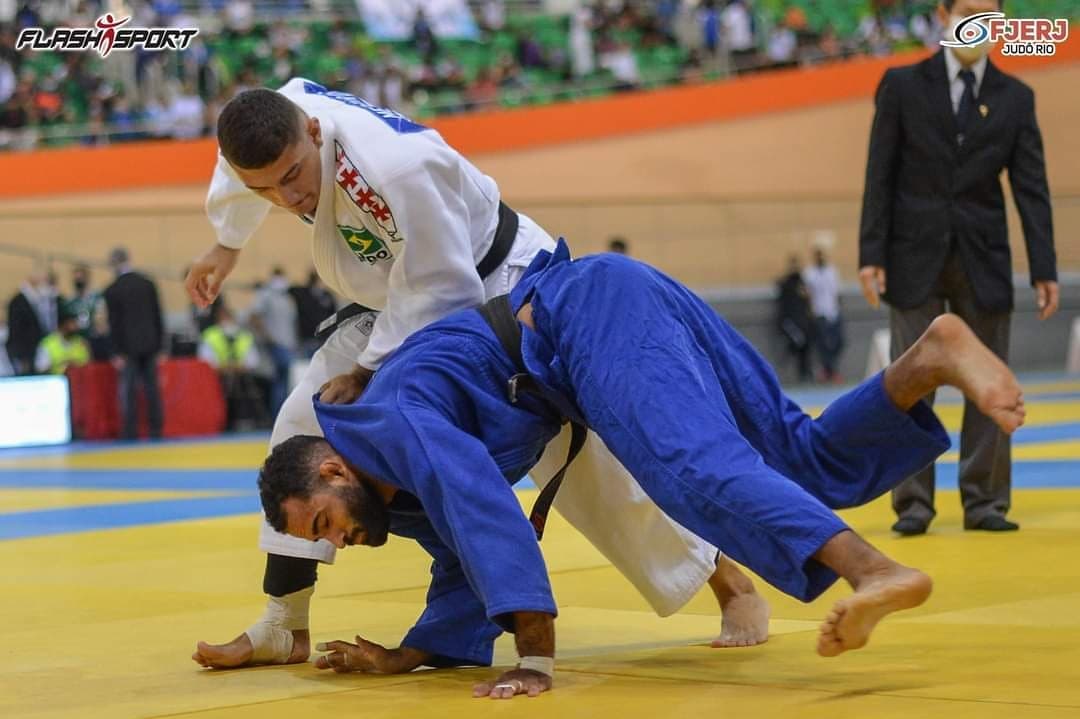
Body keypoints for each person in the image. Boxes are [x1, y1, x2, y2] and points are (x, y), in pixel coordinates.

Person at [248, 243, 1025, 698]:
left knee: (690, 471)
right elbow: (461, 557)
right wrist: (409, 654)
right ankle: (931, 355)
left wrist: (535, 656)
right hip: (609, 296)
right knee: (800, 459)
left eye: (323, 521)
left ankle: (874, 570)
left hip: (585, 316)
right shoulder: (392, 480)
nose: (337, 540)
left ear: (332, 466)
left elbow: (484, 509)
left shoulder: (394, 419)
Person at [185, 80, 732, 670]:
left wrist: (366, 368)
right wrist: (226, 246)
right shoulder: (272, 120)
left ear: (314, 133)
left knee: (582, 465)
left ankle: (731, 586)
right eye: (265, 188)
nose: (287, 197)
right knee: (303, 420)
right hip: (398, 294)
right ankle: (284, 622)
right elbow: (245, 175)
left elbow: (441, 286)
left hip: (499, 283)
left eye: (293, 175)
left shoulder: (397, 168)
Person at [858, 0, 1057, 536]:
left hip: (984, 257)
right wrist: (871, 254)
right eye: (969, 10)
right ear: (944, 14)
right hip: (911, 255)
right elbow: (879, 174)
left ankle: (985, 500)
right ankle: (913, 503)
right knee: (910, 382)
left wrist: (1044, 267)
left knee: (987, 378)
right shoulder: (901, 86)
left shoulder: (1016, 97)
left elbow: (1031, 189)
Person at [104, 247, 166, 440]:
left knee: (128, 390)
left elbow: (114, 323)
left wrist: (115, 351)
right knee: (152, 388)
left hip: (127, 347)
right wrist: (161, 345)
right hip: (150, 343)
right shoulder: (147, 284)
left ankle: (130, 431)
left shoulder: (112, 290)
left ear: (114, 263)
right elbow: (158, 316)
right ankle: (156, 429)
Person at [248, 266, 298, 418]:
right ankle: (277, 415)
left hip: (288, 344)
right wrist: (267, 338)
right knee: (280, 381)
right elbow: (254, 316)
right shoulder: (265, 294)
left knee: (284, 381)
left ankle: (281, 414)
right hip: (275, 344)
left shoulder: (286, 297)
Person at [5, 266, 59, 375]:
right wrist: (21, 356)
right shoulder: (18, 302)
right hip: (24, 353)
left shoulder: (41, 301)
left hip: (38, 349)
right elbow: (16, 331)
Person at [802, 245, 844, 383]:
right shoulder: (810, 273)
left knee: (838, 341)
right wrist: (810, 311)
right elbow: (807, 294)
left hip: (833, 311)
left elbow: (837, 291)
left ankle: (830, 369)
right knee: (823, 344)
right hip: (819, 312)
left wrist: (839, 308)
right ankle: (829, 371)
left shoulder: (832, 271)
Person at [775, 254, 813, 383]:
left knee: (804, 346)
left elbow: (807, 300)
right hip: (790, 321)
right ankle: (787, 366)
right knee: (797, 342)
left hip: (802, 321)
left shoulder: (803, 282)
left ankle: (804, 373)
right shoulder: (786, 284)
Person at [34, 307, 90, 375]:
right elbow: (41, 369)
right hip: (56, 380)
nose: (75, 326)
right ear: (62, 324)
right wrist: (61, 365)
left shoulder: (82, 342)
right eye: (71, 322)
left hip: (80, 379)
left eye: (75, 322)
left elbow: (89, 365)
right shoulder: (47, 344)